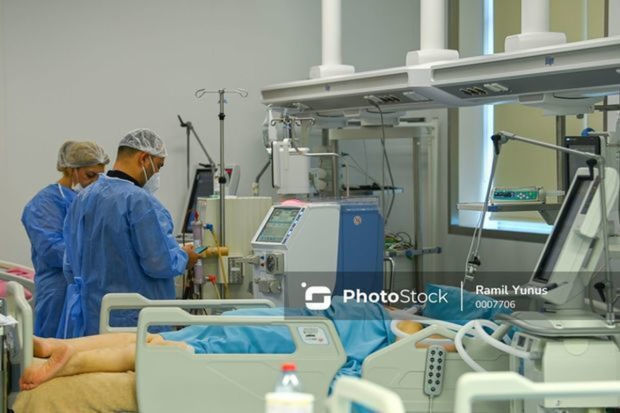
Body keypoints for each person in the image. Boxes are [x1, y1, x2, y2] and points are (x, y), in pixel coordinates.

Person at [19, 297, 395, 391]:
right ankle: (73, 362)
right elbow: (342, 375)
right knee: (179, 351)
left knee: (167, 337)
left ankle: (57, 345)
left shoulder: (376, 315)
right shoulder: (392, 340)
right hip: (289, 336)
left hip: (274, 319)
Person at [62, 129, 200, 337]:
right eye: (158, 166)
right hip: (136, 323)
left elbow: (69, 264)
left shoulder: (83, 197)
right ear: (144, 158)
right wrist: (185, 257)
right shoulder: (138, 201)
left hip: (93, 319)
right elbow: (158, 263)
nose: (156, 174)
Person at [21, 141, 110, 338]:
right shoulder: (44, 203)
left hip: (91, 292)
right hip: (58, 292)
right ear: (70, 169)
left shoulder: (94, 201)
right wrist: (98, 256)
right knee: (53, 349)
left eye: (100, 176)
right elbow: (53, 250)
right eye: (90, 175)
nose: (95, 182)